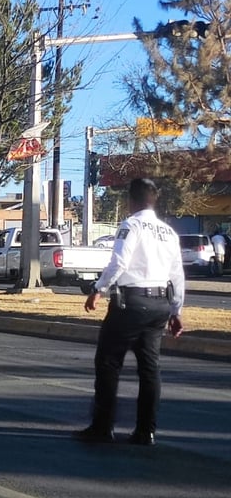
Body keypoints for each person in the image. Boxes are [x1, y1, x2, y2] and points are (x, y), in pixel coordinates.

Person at [74, 177, 185, 446]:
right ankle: (146, 431)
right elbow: (177, 273)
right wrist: (176, 310)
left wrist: (99, 289)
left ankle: (103, 426)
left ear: (131, 201)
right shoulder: (168, 232)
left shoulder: (132, 224)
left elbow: (120, 261)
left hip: (131, 303)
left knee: (109, 362)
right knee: (150, 369)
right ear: (154, 200)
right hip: (159, 304)